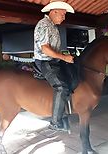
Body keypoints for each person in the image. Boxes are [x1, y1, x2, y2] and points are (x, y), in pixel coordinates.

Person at [33, 1, 74, 131]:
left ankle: (64, 111)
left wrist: (65, 56)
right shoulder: (44, 25)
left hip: (54, 60)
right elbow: (45, 49)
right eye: (62, 14)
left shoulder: (53, 26)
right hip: (45, 62)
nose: (64, 17)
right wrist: (63, 57)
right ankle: (55, 123)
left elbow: (54, 49)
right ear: (54, 11)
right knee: (61, 87)